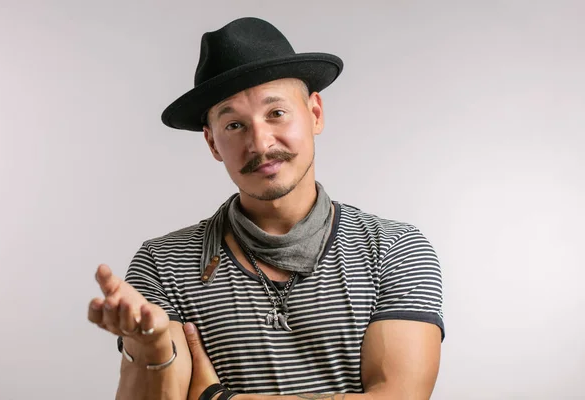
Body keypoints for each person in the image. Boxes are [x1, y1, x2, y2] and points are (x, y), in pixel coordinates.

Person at [88, 17, 445, 400]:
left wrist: (218, 398)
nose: (260, 142)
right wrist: (153, 348)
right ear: (212, 144)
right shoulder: (163, 263)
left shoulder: (394, 249)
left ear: (315, 114)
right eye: (234, 126)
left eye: (276, 113)